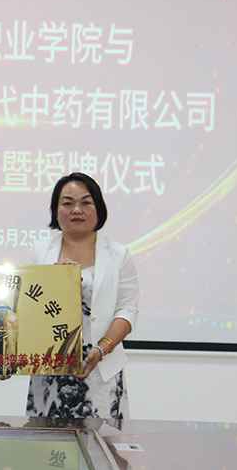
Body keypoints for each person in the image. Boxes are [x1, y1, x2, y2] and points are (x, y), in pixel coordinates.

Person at [22, 172, 140, 419]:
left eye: (86, 203)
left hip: (101, 369)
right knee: (46, 442)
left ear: (99, 209)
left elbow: (127, 310)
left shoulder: (119, 254)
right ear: (56, 211)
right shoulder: (40, 252)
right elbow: (24, 308)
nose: (77, 210)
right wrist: (54, 283)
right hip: (49, 373)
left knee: (102, 442)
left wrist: (102, 348)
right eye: (67, 203)